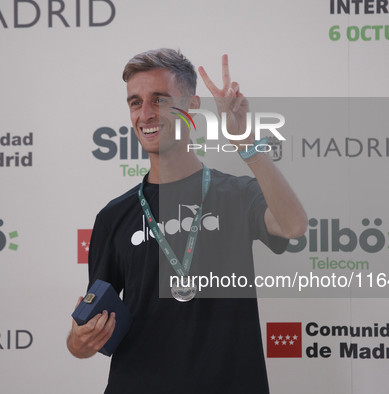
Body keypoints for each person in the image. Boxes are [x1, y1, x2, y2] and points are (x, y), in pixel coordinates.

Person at [68, 48, 307, 393]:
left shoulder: (237, 194)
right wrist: (79, 339)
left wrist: (247, 143)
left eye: (160, 100)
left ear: (192, 105)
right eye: (135, 102)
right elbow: (85, 340)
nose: (145, 114)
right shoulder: (113, 217)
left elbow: (293, 226)